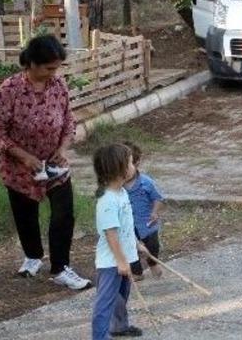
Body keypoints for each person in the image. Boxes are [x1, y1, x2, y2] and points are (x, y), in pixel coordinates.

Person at [0, 35, 91, 289]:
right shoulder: (9, 90)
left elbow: (69, 120)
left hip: (54, 165)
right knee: (25, 214)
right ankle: (33, 256)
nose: (53, 73)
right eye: (48, 67)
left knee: (63, 213)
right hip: (20, 167)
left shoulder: (59, 85)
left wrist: (63, 148)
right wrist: (24, 157)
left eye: (56, 67)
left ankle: (60, 267)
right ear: (32, 63)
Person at [91, 144, 144, 339]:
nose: (134, 166)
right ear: (119, 168)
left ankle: (119, 327)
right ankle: (100, 336)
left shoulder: (121, 193)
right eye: (130, 162)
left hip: (124, 258)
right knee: (106, 302)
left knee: (121, 298)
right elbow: (111, 234)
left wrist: (137, 244)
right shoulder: (108, 200)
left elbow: (125, 227)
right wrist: (121, 261)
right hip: (111, 263)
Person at [121, 141, 164, 281]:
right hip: (128, 225)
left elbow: (158, 198)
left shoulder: (146, 182)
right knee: (130, 248)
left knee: (152, 245)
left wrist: (155, 212)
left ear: (137, 163)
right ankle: (137, 272)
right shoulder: (118, 186)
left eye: (126, 166)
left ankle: (153, 263)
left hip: (146, 223)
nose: (122, 171)